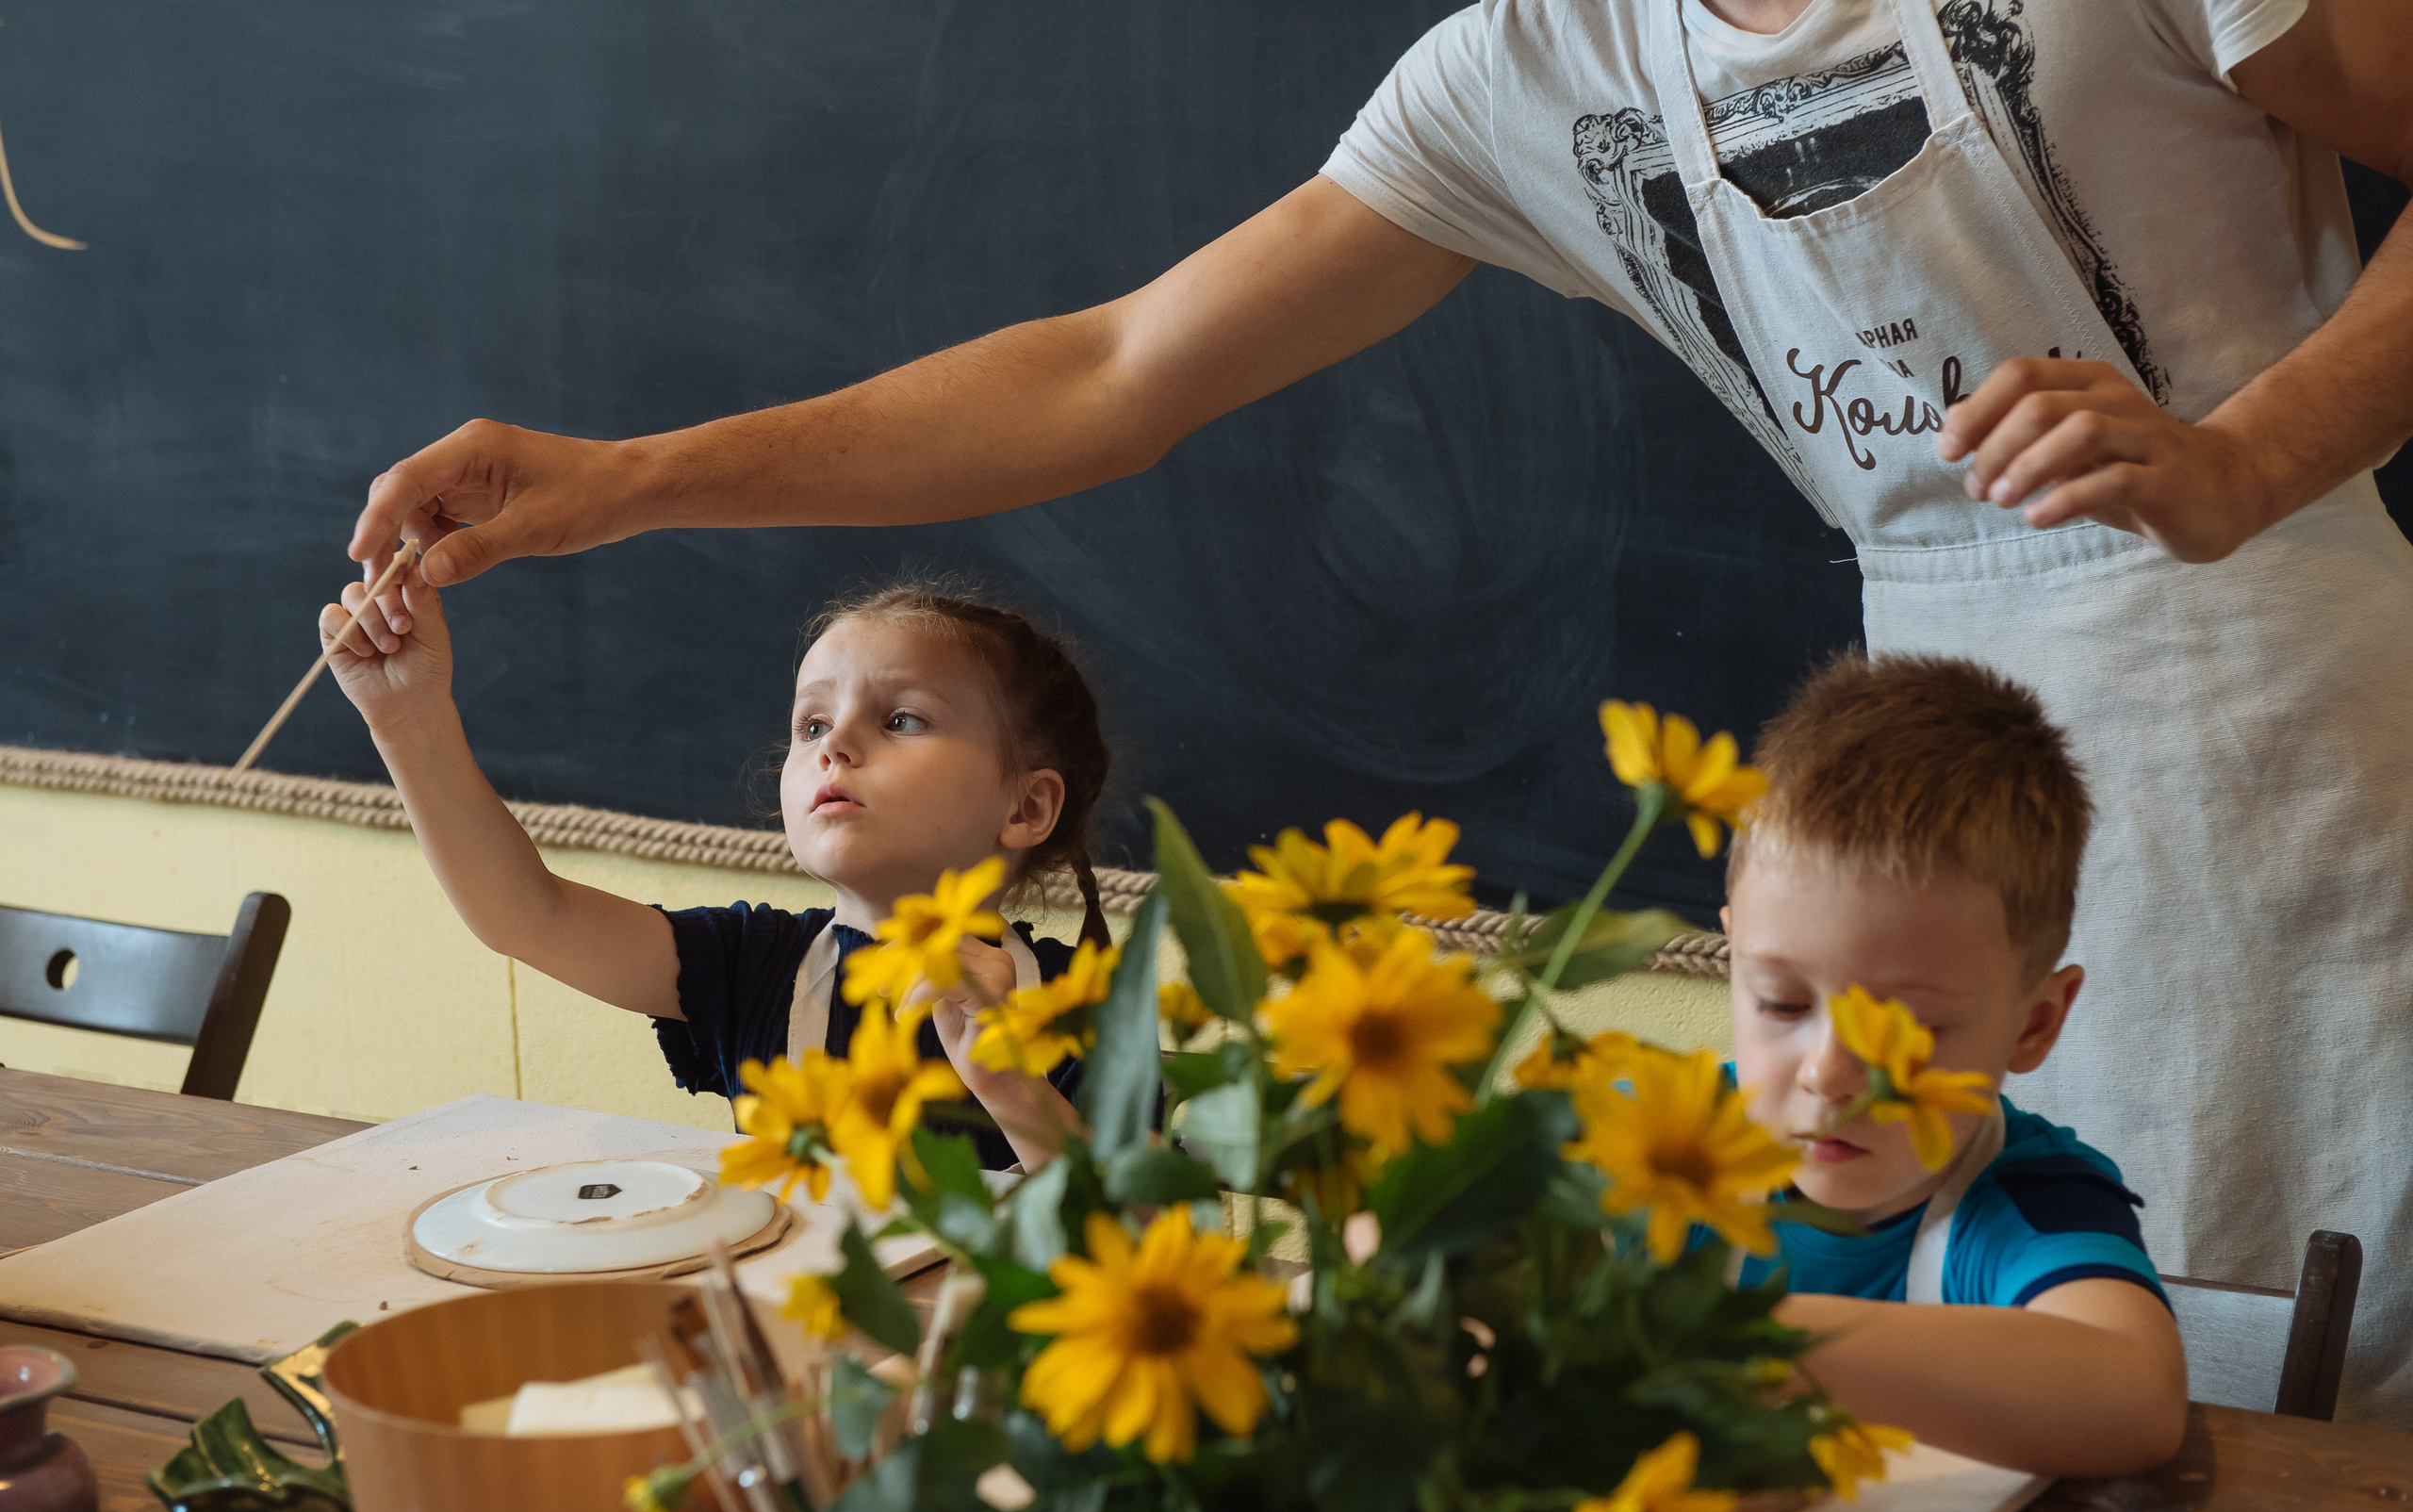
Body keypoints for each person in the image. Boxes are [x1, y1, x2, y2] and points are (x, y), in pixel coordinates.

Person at [343, 0, 2413, 1422]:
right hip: (1911, 757)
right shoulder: (1528, 62)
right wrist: (629, 476)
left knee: (2311, 1375)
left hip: (2284, 721)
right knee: (1967, 1363)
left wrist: (2243, 454)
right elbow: (1111, 366)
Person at [320, 576, 1113, 1173]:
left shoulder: (1092, 1008)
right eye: (811, 724)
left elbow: (1136, 1235)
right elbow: (528, 915)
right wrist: (410, 721)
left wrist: (1013, 1091)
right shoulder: (752, 964)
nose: (833, 745)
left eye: (901, 718)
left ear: (1026, 807)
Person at [1723, 653, 2186, 1475]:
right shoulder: (1655, 1140)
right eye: (1782, 1004)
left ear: (2033, 1023)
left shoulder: (2023, 1203)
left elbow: (2140, 1398)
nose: (1829, 1073)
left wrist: (1772, 1345)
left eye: (1908, 1029)